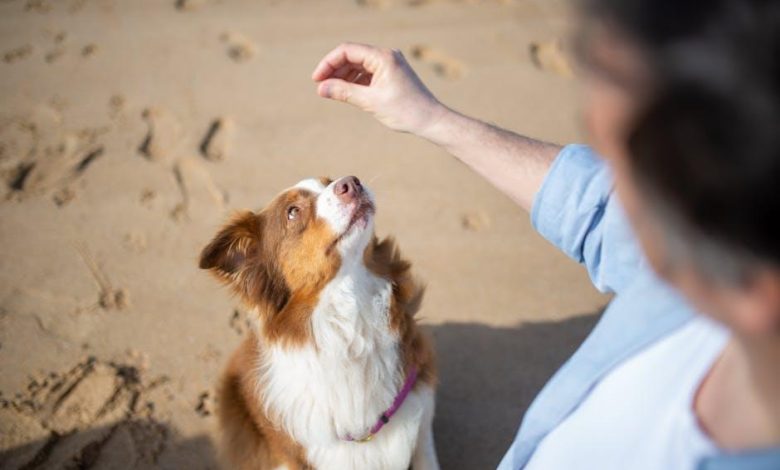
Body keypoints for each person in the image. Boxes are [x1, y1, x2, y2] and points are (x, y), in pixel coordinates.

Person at [310, 0, 780, 469]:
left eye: (633, 171)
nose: (615, 196)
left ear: (754, 289)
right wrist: (432, 119)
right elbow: (595, 210)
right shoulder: (712, 262)